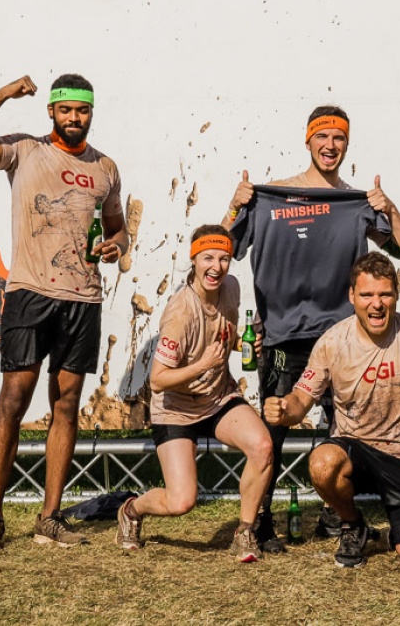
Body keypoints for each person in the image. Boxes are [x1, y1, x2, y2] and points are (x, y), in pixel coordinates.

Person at [224, 105, 400, 551]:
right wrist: (235, 204)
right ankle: (260, 522)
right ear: (308, 140)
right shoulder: (270, 197)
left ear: (347, 144)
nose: (331, 146)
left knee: (342, 427)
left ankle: (337, 515)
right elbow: (221, 247)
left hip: (339, 338)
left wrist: (389, 207)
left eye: (339, 138)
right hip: (280, 337)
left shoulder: (355, 202)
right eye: (323, 137)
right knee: (272, 429)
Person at [0, 73, 128, 552]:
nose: (74, 118)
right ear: (51, 111)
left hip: (83, 298)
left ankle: (50, 517)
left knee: (66, 404)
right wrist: (1, 95)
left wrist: (116, 246)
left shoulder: (105, 168)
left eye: (82, 110)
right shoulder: (25, 150)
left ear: (91, 113)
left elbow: (119, 229)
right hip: (30, 292)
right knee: (13, 400)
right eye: (66, 109)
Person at [264, 252, 400, 571]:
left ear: (396, 295)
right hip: (355, 449)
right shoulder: (332, 341)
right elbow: (301, 399)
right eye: (367, 295)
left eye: (385, 294)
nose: (376, 304)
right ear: (351, 296)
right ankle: (353, 523)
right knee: (323, 463)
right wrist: (285, 409)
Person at [114, 225, 274, 562]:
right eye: (208, 258)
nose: (216, 267)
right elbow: (158, 380)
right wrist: (203, 364)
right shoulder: (180, 312)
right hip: (176, 408)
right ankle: (131, 509)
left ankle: (245, 531)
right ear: (194, 260)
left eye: (224, 259)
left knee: (262, 446)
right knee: (182, 501)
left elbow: (219, 338)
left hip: (218, 398)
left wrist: (240, 344)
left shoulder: (231, 287)